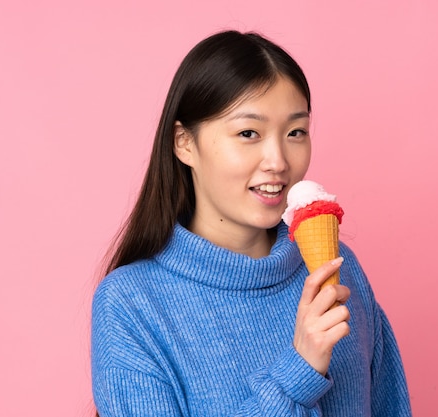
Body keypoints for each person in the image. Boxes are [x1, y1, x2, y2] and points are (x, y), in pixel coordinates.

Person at [91, 30, 412, 417]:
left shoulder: (338, 269)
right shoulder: (131, 303)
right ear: (184, 144)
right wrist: (299, 373)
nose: (277, 160)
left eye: (295, 132)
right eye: (248, 133)